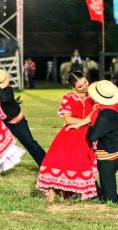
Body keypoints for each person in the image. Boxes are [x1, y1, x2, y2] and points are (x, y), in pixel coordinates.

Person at [36, 71, 98, 203]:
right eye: (80, 86)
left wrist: (89, 119)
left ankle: (67, 191)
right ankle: (53, 189)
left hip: (88, 134)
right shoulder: (68, 97)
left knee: (81, 163)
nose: (85, 87)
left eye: (85, 82)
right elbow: (68, 119)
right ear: (73, 87)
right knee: (59, 161)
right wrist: (87, 120)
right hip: (71, 132)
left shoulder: (93, 96)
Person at [0, 68, 46, 167]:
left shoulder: (8, 89)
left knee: (29, 143)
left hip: (17, 122)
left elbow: (3, 98)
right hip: (3, 123)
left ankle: (45, 165)